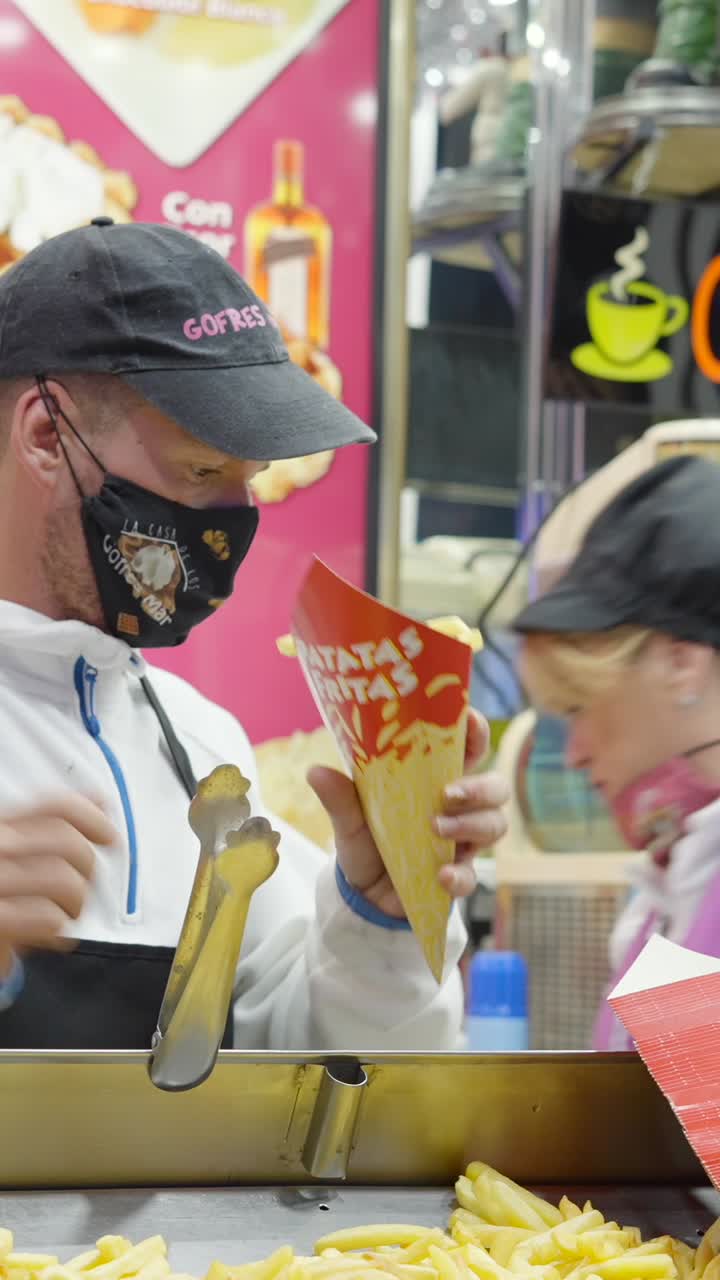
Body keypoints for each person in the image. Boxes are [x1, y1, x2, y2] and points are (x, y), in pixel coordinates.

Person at [0, 217, 509, 1050]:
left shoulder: (202, 753)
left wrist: (380, 911)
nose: (230, 520)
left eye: (250, 481)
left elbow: (323, 1075)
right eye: (202, 470)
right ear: (48, 435)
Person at [513, 455, 720, 1051]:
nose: (574, 756)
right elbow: (668, 1126)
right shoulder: (674, 880)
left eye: (579, 707)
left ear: (682, 662)